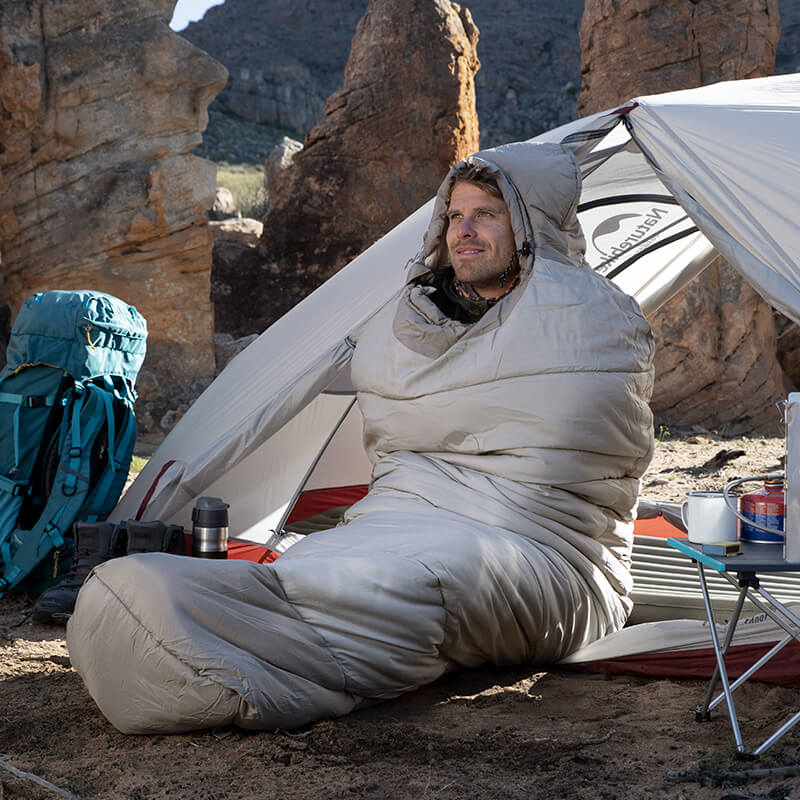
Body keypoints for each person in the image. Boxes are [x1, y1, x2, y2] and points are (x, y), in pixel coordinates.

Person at [67, 141, 655, 734]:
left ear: (530, 223)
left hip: (552, 554)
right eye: (454, 215)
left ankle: (231, 663)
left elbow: (584, 449)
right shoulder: (410, 319)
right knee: (322, 566)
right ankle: (203, 619)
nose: (464, 231)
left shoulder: (594, 322)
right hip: (401, 515)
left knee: (412, 582)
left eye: (488, 214)